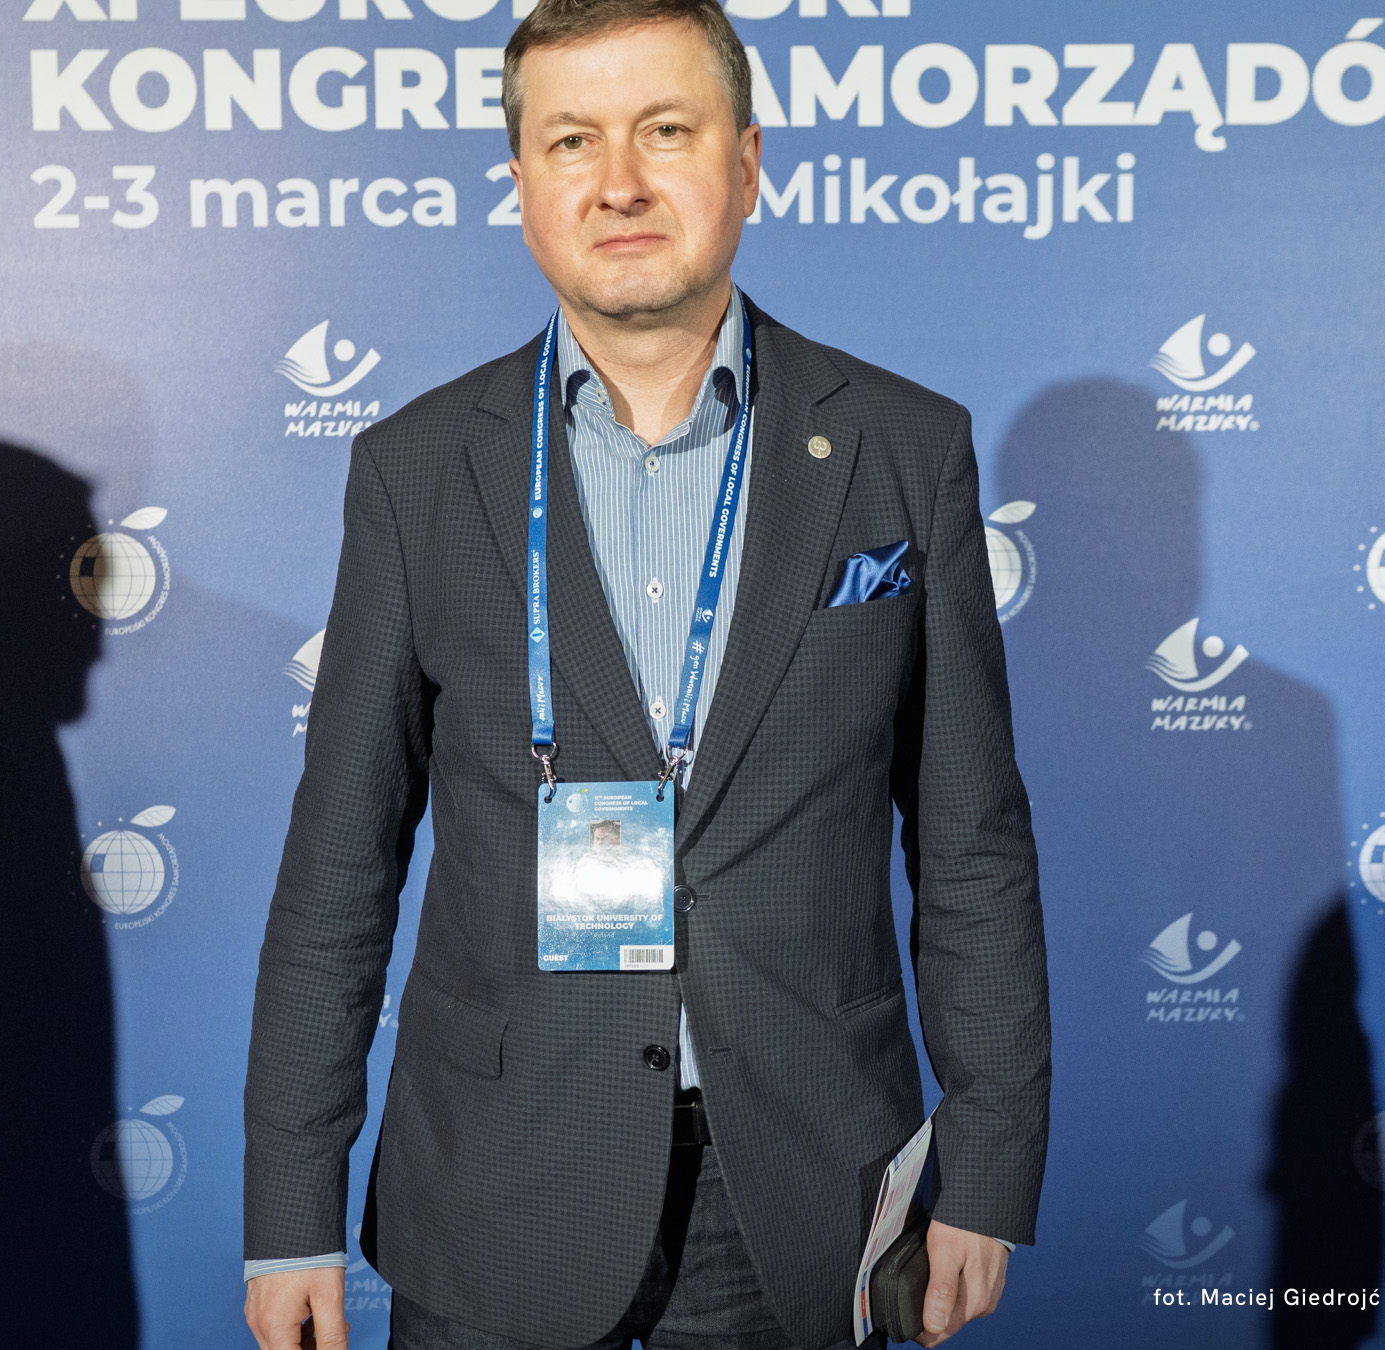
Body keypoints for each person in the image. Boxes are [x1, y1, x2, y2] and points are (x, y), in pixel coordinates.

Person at [242, 3, 1048, 1348]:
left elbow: (973, 847)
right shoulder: (418, 470)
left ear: (748, 161)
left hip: (803, 1190)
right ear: (522, 183)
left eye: (664, 131)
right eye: (573, 140)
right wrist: (289, 1209)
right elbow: (339, 865)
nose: (618, 181)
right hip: (495, 1184)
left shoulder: (903, 450)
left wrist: (992, 1162)